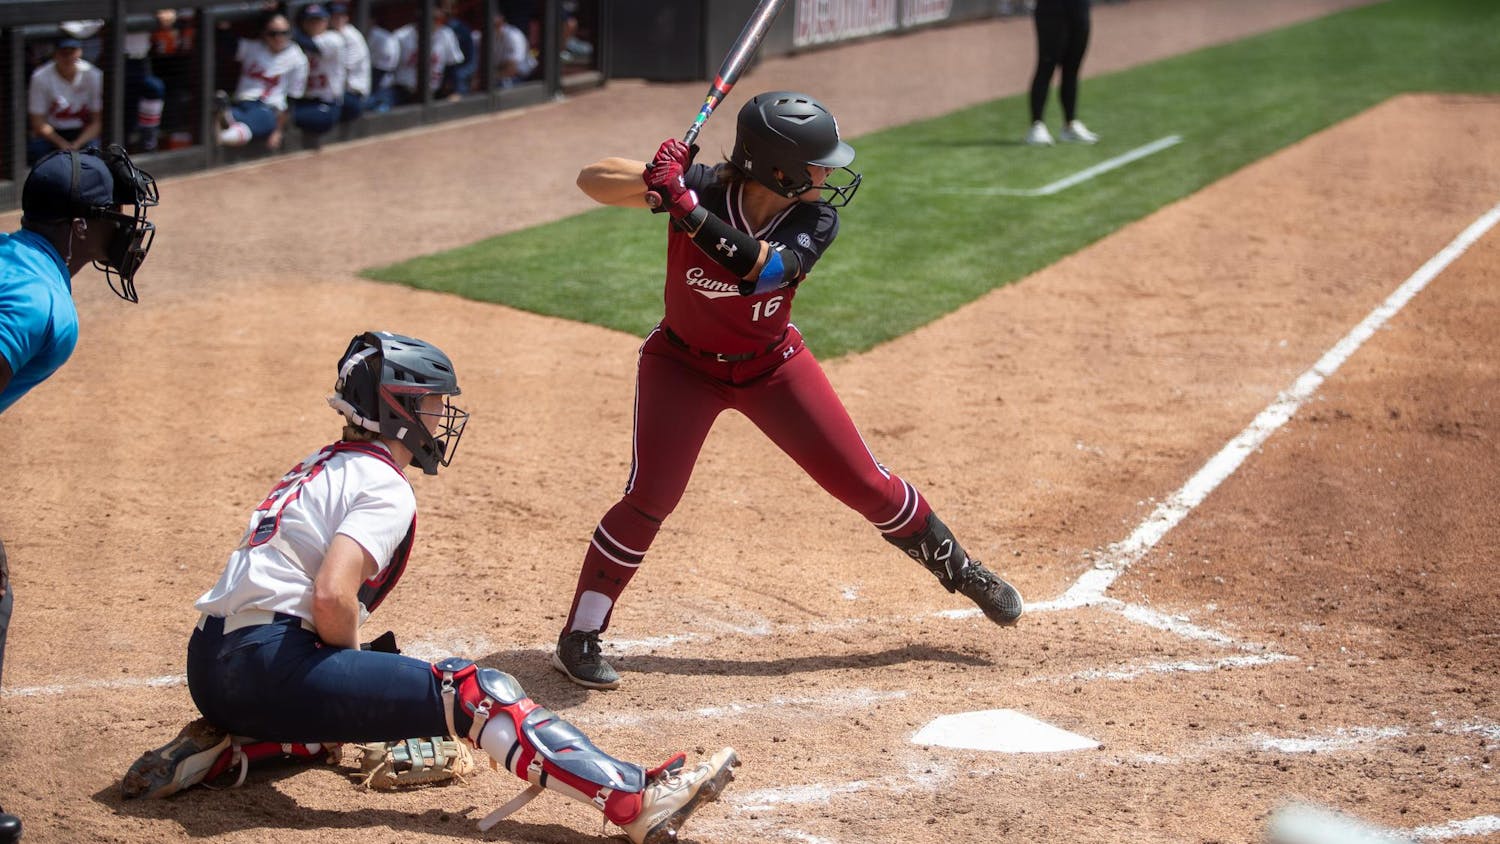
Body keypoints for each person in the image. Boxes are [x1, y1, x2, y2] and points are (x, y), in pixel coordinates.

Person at [119, 332, 737, 844]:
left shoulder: (320, 464)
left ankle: (227, 753)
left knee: (354, 681)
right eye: (434, 403)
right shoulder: (384, 484)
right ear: (400, 408)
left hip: (211, 668)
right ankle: (634, 798)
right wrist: (350, 674)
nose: (442, 417)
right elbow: (333, 596)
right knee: (473, 690)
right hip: (269, 664)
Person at [554, 91, 1025, 690]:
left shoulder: (814, 218)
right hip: (682, 366)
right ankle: (579, 636)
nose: (829, 173)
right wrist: (656, 178)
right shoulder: (697, 186)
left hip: (771, 367)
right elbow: (589, 179)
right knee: (650, 497)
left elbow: (765, 269)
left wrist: (685, 209)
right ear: (779, 167)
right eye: (818, 163)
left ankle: (962, 570)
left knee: (865, 484)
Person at [0, 144, 160, 844]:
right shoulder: (41, 305)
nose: (122, 232)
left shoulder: (14, 261)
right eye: (109, 219)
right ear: (75, 228)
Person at [215, 12, 309, 150]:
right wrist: (223, 25)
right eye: (273, 33)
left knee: (264, 120)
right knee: (239, 118)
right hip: (242, 104)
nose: (279, 38)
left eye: (284, 33)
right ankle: (227, 121)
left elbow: (292, 99)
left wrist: (278, 131)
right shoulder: (252, 48)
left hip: (268, 109)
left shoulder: (297, 58)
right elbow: (226, 42)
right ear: (264, 33)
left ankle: (224, 132)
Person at [1025, 0, 1098, 145]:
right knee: (1046, 66)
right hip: (1052, 9)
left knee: (1072, 68)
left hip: (1079, 7)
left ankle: (1070, 124)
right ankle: (1037, 126)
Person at [26, 36, 104, 165]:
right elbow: (38, 123)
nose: (68, 57)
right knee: (36, 150)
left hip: (83, 133)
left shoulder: (93, 75)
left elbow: (98, 122)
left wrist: (77, 144)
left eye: (72, 52)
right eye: (63, 53)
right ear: (55, 54)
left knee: (96, 152)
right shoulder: (40, 76)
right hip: (53, 133)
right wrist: (62, 144)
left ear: (80, 52)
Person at [290, 4, 346, 143]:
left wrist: (287, 30)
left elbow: (311, 45)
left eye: (318, 20)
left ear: (326, 21)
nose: (314, 24)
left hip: (326, 104)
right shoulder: (295, 44)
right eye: (310, 21)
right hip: (304, 101)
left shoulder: (333, 39)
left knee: (292, 118)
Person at [392, 7, 465, 105]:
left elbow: (453, 65)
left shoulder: (446, 34)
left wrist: (456, 90)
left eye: (439, 20)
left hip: (434, 92)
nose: (437, 23)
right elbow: (390, 67)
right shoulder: (401, 36)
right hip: (403, 91)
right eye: (434, 19)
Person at [328, 2, 371, 123]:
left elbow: (342, 69)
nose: (338, 19)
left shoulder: (351, 36)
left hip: (354, 96)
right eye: (334, 16)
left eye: (341, 16)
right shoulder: (333, 35)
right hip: (343, 93)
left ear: (346, 17)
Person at [492, 8, 536, 88]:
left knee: (501, 86)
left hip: (523, 77)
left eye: (495, 23)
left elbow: (512, 69)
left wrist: (491, 77)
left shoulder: (513, 35)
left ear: (501, 21)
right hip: (499, 74)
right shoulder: (484, 36)